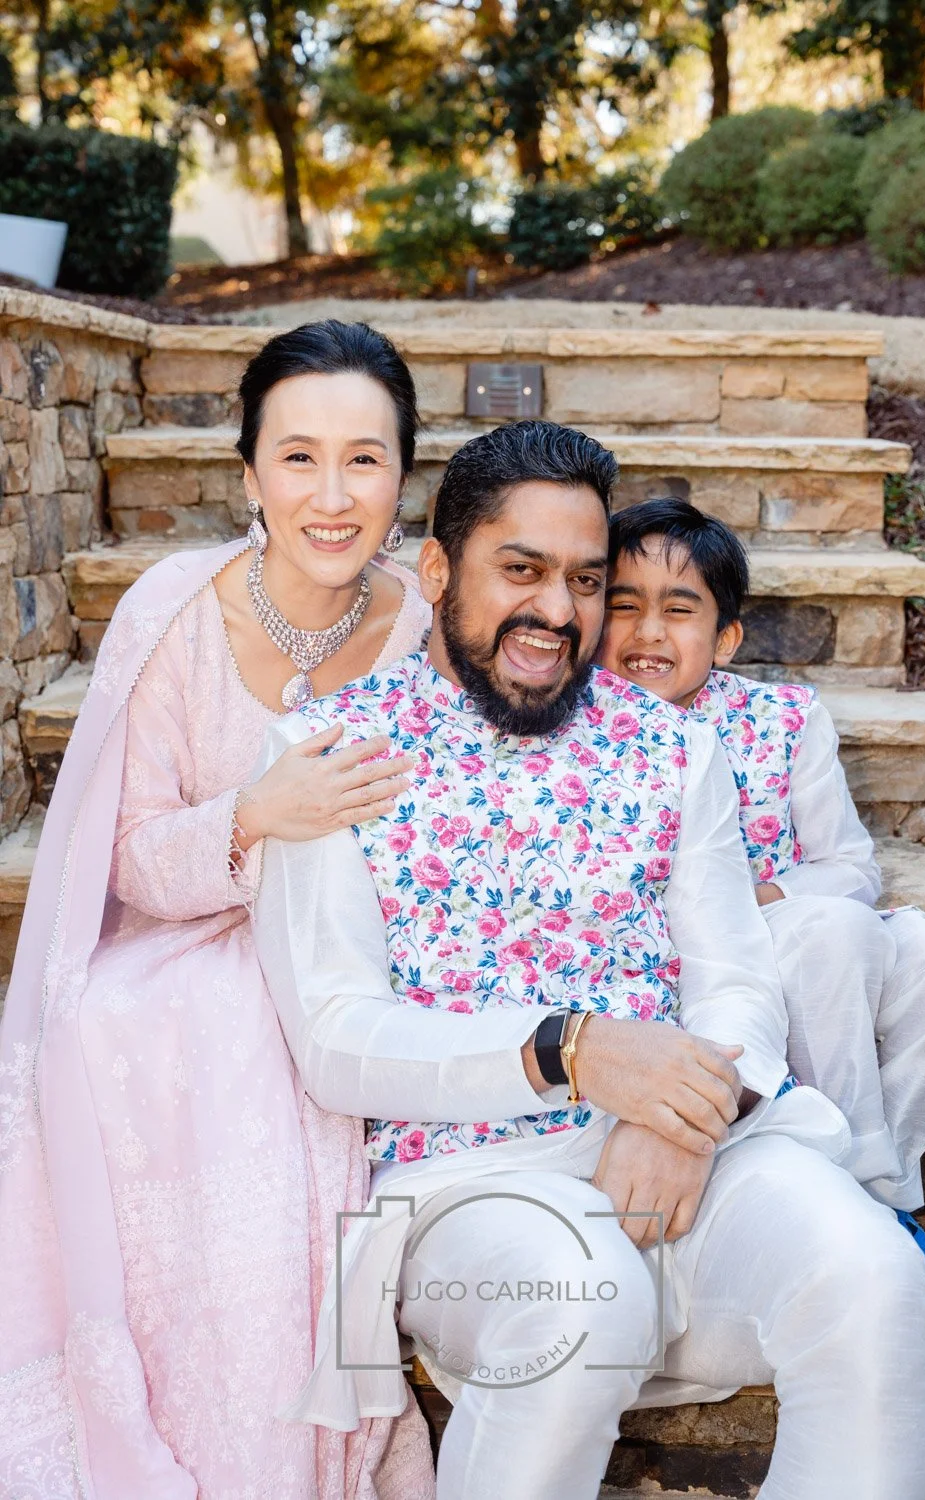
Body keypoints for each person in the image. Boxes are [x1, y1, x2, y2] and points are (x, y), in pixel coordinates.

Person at [252, 419, 925, 1500]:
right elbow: (337, 1035)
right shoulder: (326, 753)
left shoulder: (673, 746)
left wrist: (689, 1113)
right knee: (584, 1302)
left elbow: (736, 982)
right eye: (519, 570)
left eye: (582, 579)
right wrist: (573, 1054)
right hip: (463, 1183)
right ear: (437, 568)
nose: (559, 613)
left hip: (694, 1152)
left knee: (872, 1276)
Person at [0, 321, 435, 1499]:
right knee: (163, 1035)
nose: (332, 494)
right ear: (248, 475)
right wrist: (255, 815)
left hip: (364, 953)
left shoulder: (421, 626)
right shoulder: (172, 610)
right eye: (298, 458)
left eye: (365, 458)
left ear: (404, 475)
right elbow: (128, 857)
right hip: (191, 937)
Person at [599, 495, 925, 1295]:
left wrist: (758, 891)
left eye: (679, 610)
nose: (648, 632)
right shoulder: (587, 725)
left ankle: (866, 1184)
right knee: (830, 934)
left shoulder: (780, 718)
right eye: (624, 605)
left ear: (725, 638)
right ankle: (872, 1206)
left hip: (799, 930)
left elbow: (851, 866)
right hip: (705, 970)